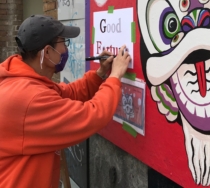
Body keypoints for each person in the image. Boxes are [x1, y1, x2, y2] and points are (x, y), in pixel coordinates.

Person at [0, 15, 131, 188]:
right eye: (64, 42)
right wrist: (115, 76)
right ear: (47, 52)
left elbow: (67, 93)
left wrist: (100, 73)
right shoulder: (29, 98)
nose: (66, 49)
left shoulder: (25, 81)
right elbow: (91, 115)